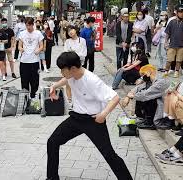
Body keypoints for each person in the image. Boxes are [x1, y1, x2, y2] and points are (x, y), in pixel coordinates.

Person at [47, 51, 133, 180]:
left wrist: (103, 114)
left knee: (109, 154)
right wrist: (55, 85)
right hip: (76, 118)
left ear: (73, 68)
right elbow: (66, 79)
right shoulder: (72, 75)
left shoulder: (92, 80)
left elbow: (115, 98)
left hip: (93, 121)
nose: (61, 73)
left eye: (63, 70)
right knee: (52, 142)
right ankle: (52, 178)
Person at [121, 65, 171, 130]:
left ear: (149, 72)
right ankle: (144, 118)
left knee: (145, 96)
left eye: (143, 74)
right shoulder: (150, 80)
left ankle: (150, 122)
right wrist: (128, 96)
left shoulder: (161, 82)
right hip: (158, 102)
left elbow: (147, 94)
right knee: (140, 92)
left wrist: (132, 96)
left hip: (164, 105)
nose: (142, 77)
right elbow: (138, 88)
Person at [18, 17, 44, 99]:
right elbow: (19, 45)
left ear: (33, 24)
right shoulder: (22, 33)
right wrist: (20, 49)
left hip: (34, 61)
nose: (28, 27)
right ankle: (25, 98)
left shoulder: (38, 33)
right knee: (24, 81)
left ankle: (33, 97)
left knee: (35, 81)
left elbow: (42, 46)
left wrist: (38, 50)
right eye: (26, 25)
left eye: (29, 25)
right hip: (24, 61)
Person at [64, 26, 87, 108]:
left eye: (71, 30)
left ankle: (80, 101)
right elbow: (66, 53)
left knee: (79, 84)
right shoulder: (67, 41)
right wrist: (75, 54)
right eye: (68, 31)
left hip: (79, 65)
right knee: (68, 83)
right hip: (69, 66)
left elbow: (84, 54)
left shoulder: (82, 40)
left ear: (76, 30)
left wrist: (73, 54)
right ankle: (70, 101)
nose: (70, 32)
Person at [164, 4, 183, 78]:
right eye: (180, 12)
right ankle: (166, 70)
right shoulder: (172, 22)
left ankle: (177, 71)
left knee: (179, 60)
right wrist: (166, 42)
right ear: (177, 13)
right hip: (172, 44)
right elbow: (167, 33)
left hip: (181, 45)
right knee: (169, 59)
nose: (182, 14)